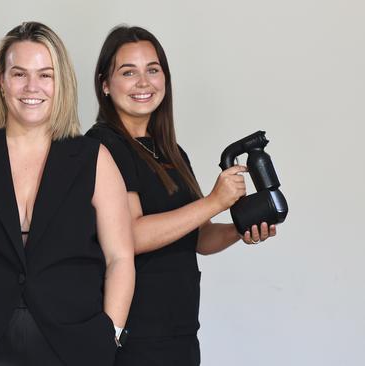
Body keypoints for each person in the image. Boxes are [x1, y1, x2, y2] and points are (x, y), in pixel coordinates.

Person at [0, 21, 135, 366]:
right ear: (2, 83)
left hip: (76, 348)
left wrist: (110, 334)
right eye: (19, 74)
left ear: (60, 82)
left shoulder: (94, 158)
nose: (32, 86)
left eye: (45, 75)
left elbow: (120, 257)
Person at [86, 26, 277, 366]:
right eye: (128, 72)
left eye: (153, 70)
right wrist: (214, 201)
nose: (143, 82)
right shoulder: (104, 146)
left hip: (181, 332)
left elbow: (198, 237)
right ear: (105, 84)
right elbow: (129, 235)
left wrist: (241, 228)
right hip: (132, 336)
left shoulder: (172, 152)